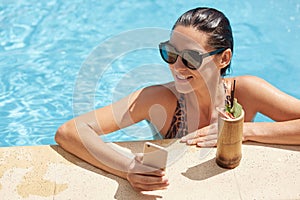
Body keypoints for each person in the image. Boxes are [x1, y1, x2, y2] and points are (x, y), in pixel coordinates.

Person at [55, 7, 300, 191]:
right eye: (170, 53)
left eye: (191, 58)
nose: (177, 67)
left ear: (223, 59)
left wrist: (243, 131)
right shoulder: (157, 99)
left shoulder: (247, 91)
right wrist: (127, 168)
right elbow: (71, 131)